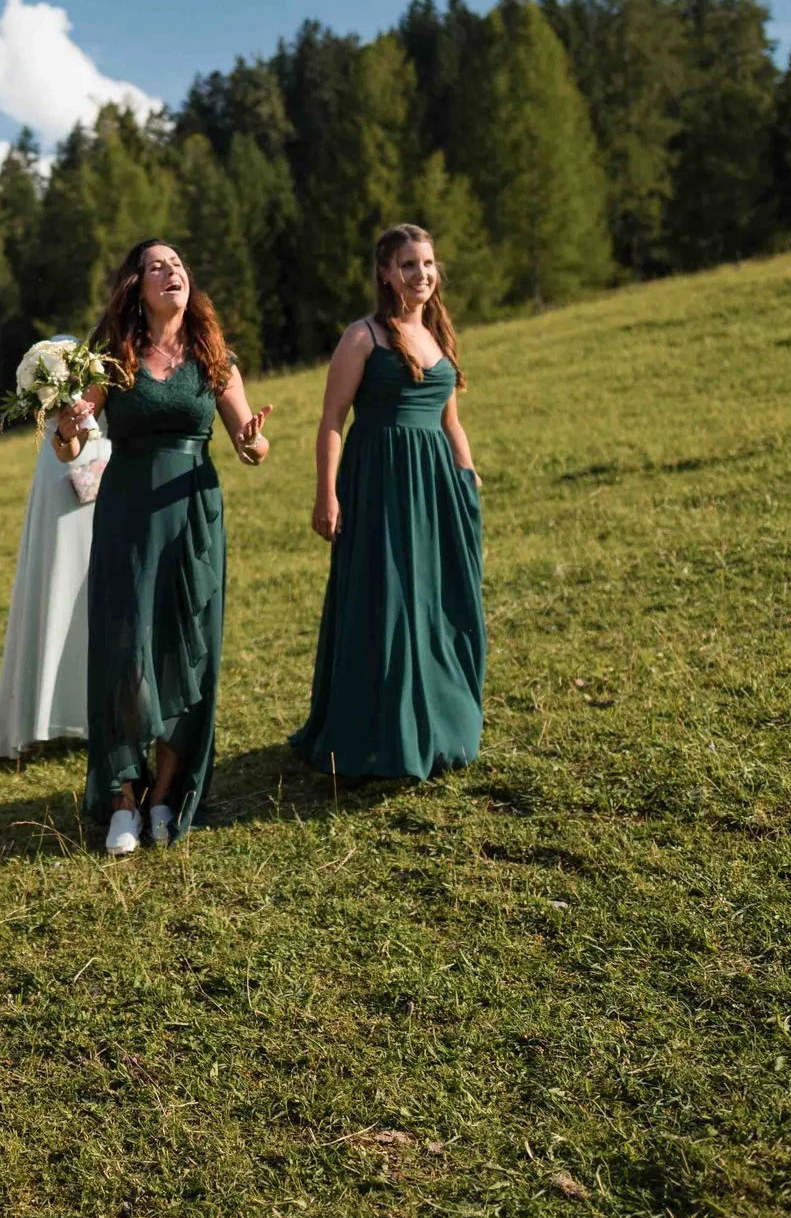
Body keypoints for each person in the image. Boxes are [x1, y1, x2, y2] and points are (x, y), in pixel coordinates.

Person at [55, 242, 270, 855]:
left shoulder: (214, 357)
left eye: (177, 264)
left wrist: (253, 442)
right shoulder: (112, 357)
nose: (171, 272)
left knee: (186, 650)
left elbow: (251, 446)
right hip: (127, 513)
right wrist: (67, 428)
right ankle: (123, 797)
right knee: (125, 650)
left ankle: (165, 797)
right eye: (157, 267)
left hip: (193, 514)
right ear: (137, 286)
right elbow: (71, 445)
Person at [288, 225, 486, 780]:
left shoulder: (438, 335)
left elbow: (450, 420)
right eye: (407, 264)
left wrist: (467, 475)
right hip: (378, 482)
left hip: (437, 487)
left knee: (435, 599)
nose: (421, 274)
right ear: (384, 273)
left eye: (427, 263)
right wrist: (326, 492)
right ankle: (379, 734)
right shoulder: (364, 336)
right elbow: (333, 419)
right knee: (387, 599)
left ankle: (440, 724)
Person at [0, 337, 112, 760]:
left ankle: (101, 712)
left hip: (108, 462)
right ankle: (38, 717)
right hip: (60, 476)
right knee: (56, 581)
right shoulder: (63, 348)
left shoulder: (119, 351)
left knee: (99, 589)